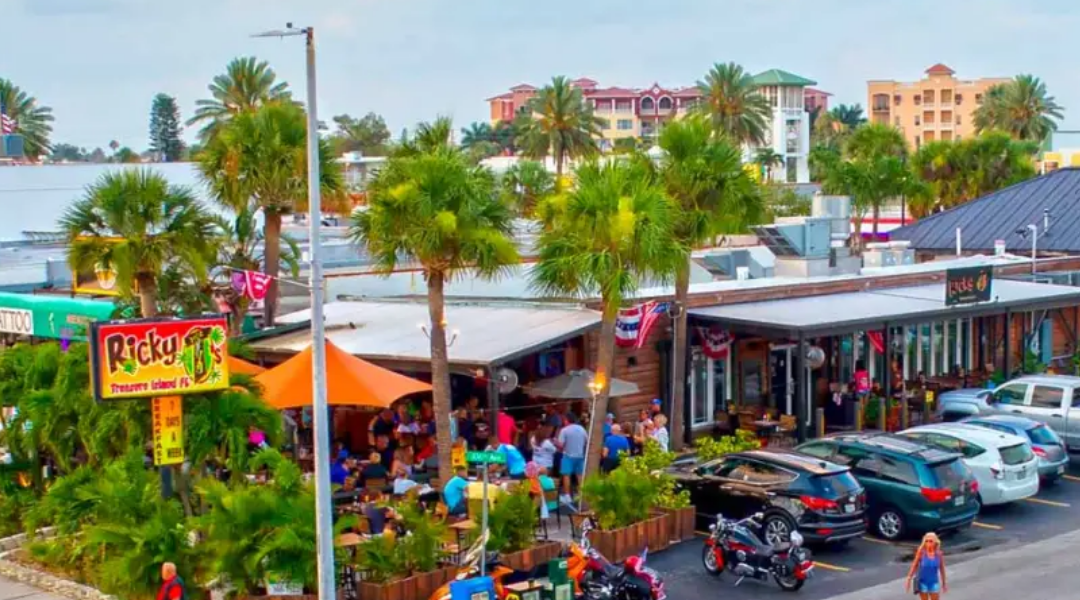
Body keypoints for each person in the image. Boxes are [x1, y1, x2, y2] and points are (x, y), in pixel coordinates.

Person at [556, 413, 588, 504]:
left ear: (566, 420)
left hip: (568, 455)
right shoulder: (582, 429)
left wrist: (555, 442)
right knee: (579, 475)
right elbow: (586, 441)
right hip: (580, 455)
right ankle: (581, 495)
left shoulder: (564, 430)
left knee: (566, 475)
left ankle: (567, 496)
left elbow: (561, 445)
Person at [906, 532, 947, 599]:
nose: (928, 543)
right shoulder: (921, 552)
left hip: (934, 582)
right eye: (926, 541)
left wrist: (944, 583)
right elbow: (914, 564)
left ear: (935, 542)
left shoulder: (939, 554)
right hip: (922, 582)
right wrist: (909, 579)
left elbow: (942, 569)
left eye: (931, 541)